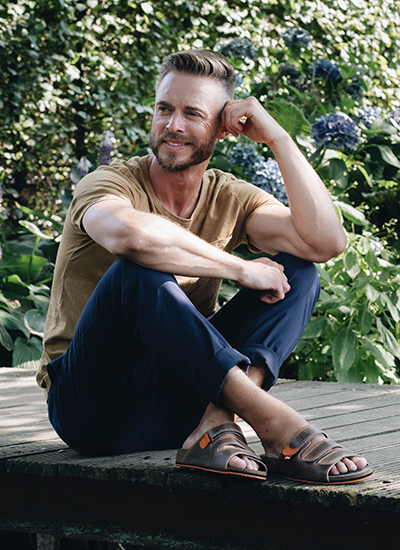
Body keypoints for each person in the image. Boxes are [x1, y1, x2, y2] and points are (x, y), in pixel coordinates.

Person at [36, 49, 372, 484]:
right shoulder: (109, 183)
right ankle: (274, 423)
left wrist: (279, 140)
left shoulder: (229, 196)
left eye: (192, 113)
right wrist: (241, 269)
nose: (173, 125)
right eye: (164, 109)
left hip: (183, 401)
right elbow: (131, 236)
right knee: (135, 270)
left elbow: (326, 243)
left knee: (299, 272)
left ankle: (216, 422)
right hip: (93, 408)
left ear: (222, 128)